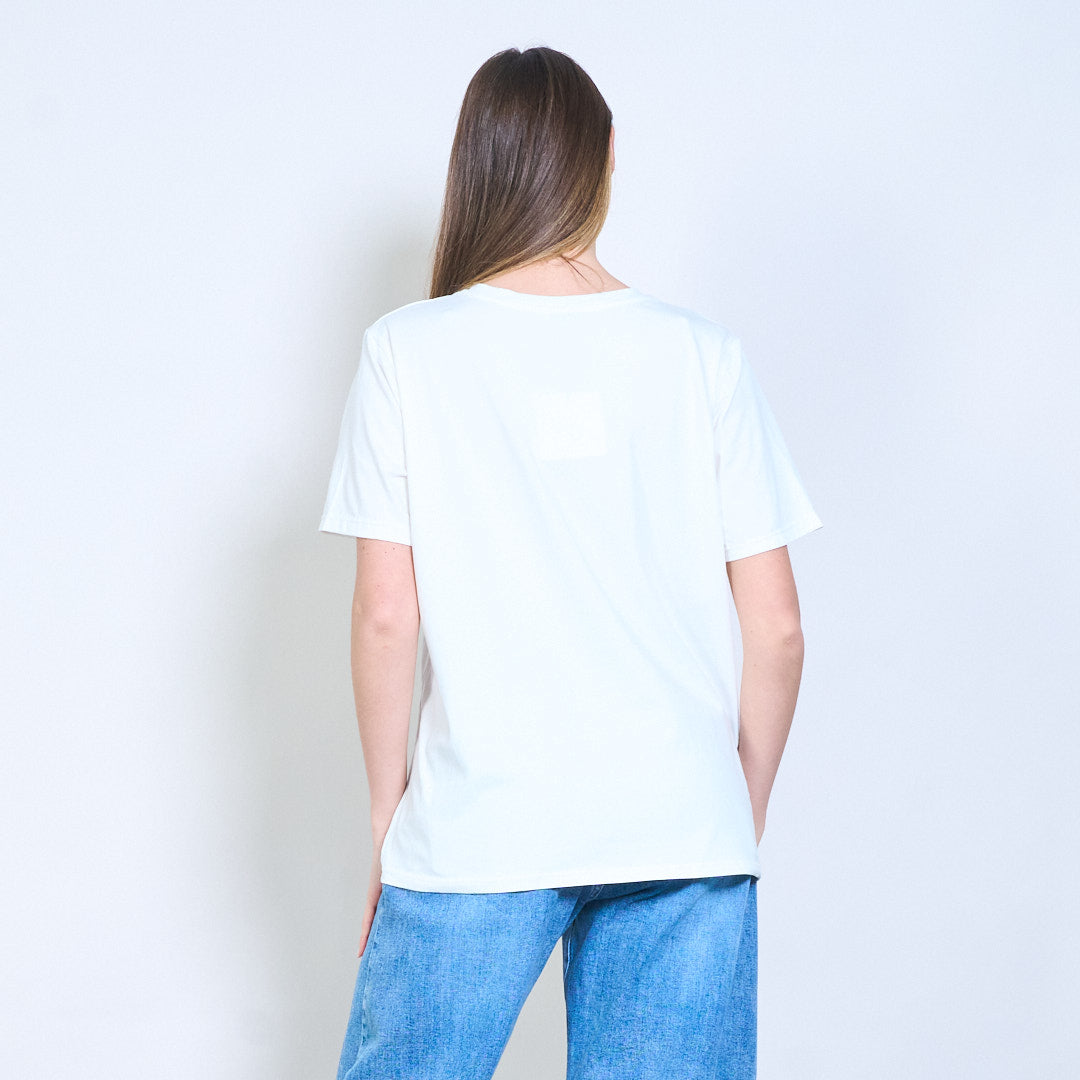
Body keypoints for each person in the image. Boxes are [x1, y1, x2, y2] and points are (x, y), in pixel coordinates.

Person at [318, 44, 823, 1080]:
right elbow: (778, 627)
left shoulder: (408, 350)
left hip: (479, 821)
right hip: (682, 823)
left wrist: (386, 816)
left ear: (477, 165)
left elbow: (385, 615)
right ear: (605, 161)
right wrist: (734, 806)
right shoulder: (701, 354)